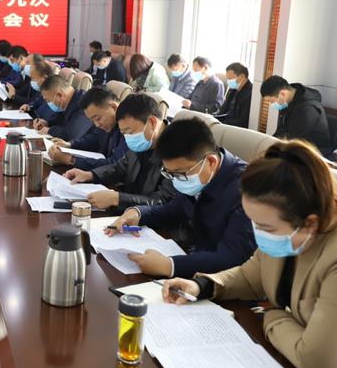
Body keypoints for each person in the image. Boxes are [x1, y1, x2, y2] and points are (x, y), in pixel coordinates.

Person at [161, 140, 337, 368]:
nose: (259, 233)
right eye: (254, 223)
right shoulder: (289, 234)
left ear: (310, 223)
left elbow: (318, 362)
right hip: (287, 365)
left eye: (266, 227)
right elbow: (249, 276)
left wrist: (271, 316)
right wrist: (200, 285)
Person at [106, 118, 256, 277]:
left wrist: (170, 266)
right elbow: (172, 210)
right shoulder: (197, 175)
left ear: (211, 162)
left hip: (227, 279)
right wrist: (138, 213)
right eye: (170, 174)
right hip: (197, 261)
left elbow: (233, 258)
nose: (176, 180)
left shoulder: (248, 191)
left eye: (180, 174)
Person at [63, 94, 176, 211]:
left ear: (152, 122)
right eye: (124, 133)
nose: (128, 138)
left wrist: (118, 199)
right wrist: (91, 175)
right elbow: (120, 168)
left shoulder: (178, 152)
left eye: (130, 132)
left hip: (148, 218)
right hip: (128, 212)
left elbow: (162, 201)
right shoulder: (144, 140)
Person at [47, 86, 128, 170]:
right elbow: (91, 141)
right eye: (93, 121)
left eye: (98, 119)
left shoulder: (128, 128)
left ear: (114, 107)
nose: (97, 125)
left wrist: (70, 160)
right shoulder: (108, 123)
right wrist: (69, 144)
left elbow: (115, 164)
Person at [260, 75, 330, 148]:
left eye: (271, 101)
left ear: (282, 94)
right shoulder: (286, 103)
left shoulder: (307, 109)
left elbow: (297, 141)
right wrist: (266, 143)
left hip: (311, 151)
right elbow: (280, 132)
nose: (271, 104)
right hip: (293, 146)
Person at [34, 75, 94, 141]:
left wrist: (50, 130)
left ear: (60, 95)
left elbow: (70, 135)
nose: (48, 103)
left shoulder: (84, 104)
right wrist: (46, 123)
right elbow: (59, 119)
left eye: (48, 100)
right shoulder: (69, 101)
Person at [214, 62, 253, 128]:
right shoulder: (233, 89)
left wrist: (222, 123)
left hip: (234, 128)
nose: (228, 81)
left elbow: (243, 120)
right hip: (224, 123)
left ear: (242, 76)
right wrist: (213, 117)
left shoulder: (250, 93)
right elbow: (222, 109)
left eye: (230, 78)